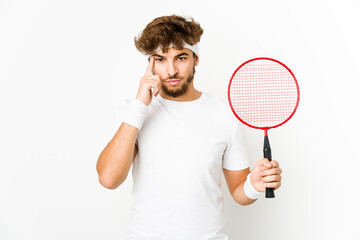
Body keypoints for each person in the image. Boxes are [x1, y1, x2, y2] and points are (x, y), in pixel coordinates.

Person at [96, 14, 282, 240]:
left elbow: (239, 191)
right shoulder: (134, 111)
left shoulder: (223, 115)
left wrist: (254, 185)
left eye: (181, 58)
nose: (171, 70)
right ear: (150, 63)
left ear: (196, 58)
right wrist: (139, 105)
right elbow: (109, 179)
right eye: (160, 59)